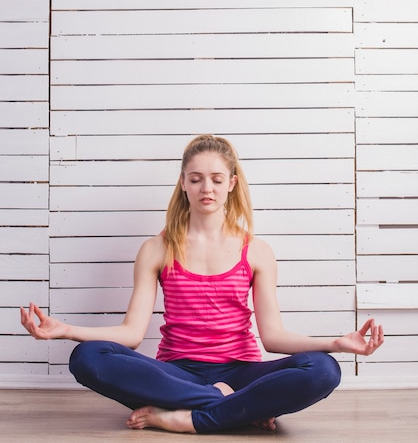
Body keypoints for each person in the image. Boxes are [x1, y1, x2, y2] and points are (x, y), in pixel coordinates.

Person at [21, 134, 384, 434]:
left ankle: (189, 417)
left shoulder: (256, 251)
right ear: (183, 183)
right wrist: (67, 330)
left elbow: (273, 338)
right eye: (195, 179)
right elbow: (131, 334)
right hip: (175, 371)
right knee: (87, 356)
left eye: (215, 178)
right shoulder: (156, 249)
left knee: (323, 369)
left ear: (231, 184)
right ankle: (231, 408)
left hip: (241, 372)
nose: (205, 187)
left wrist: (336, 343)